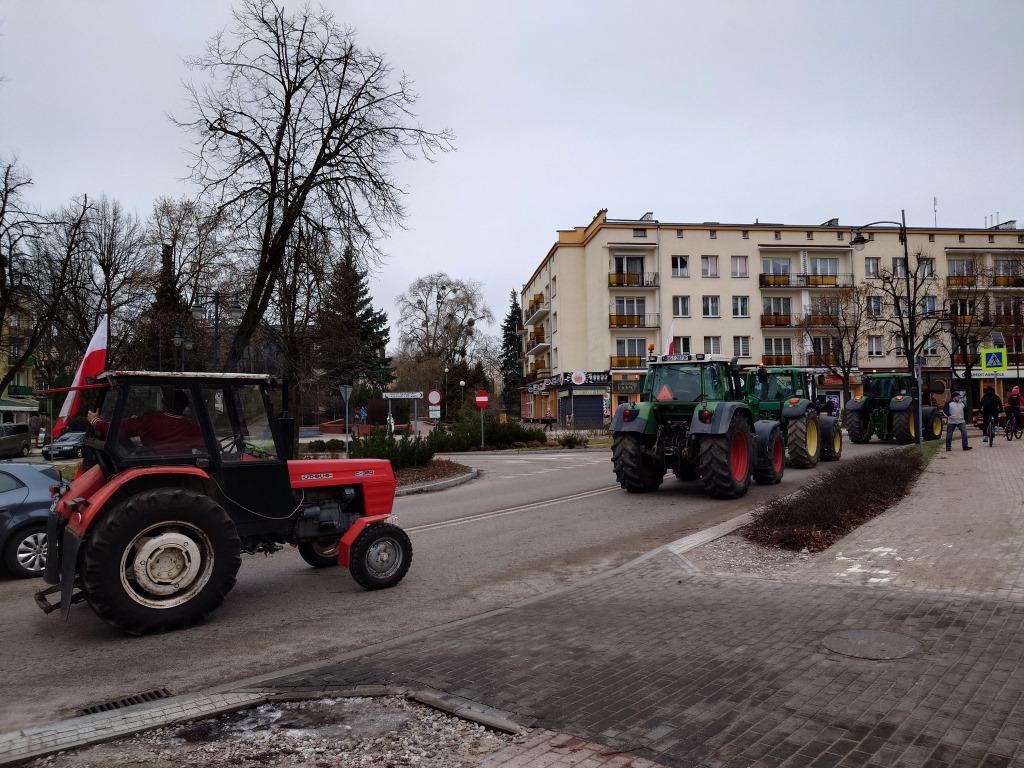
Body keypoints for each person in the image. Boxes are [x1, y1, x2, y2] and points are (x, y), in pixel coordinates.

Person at [87, 387, 204, 454]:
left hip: (153, 465)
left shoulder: (151, 420)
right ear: (185, 406)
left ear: (164, 402)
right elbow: (209, 446)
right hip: (181, 470)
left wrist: (95, 421)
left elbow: (115, 430)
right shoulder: (192, 428)